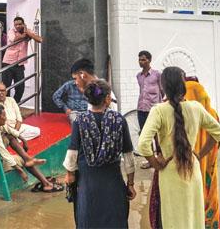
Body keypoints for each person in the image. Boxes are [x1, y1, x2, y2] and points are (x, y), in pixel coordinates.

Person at [139, 67, 220, 229]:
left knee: (173, 220)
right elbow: (217, 132)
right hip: (193, 168)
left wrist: (156, 163)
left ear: (163, 87)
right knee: (193, 218)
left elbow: (143, 144)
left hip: (170, 172)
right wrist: (199, 154)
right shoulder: (196, 107)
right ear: (183, 85)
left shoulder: (159, 111)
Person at [63, 80, 136, 228]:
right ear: (108, 99)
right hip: (113, 183)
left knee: (88, 219)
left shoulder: (79, 121)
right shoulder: (119, 120)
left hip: (88, 184)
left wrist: (70, 175)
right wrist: (130, 184)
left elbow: (72, 154)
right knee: (115, 220)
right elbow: (128, 156)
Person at [0, 104, 61, 193]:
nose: (6, 117)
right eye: (4, 115)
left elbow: (10, 130)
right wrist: (20, 171)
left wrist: (23, 140)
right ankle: (46, 184)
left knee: (10, 136)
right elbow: (4, 154)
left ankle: (28, 159)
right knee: (22, 161)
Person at [184, 75, 220, 229]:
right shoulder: (212, 114)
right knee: (209, 192)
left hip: (188, 165)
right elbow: (218, 138)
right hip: (208, 165)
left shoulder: (183, 114)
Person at [52, 58, 116, 124]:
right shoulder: (95, 88)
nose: (76, 82)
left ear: (82, 74)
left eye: (75, 78)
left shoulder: (99, 90)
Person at [2, 16, 43, 103]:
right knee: (6, 88)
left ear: (23, 24)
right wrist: (25, 35)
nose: (17, 26)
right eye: (16, 24)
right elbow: (14, 39)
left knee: (20, 88)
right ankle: (6, 107)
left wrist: (28, 32)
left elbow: (39, 39)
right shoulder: (11, 31)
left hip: (20, 64)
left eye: (20, 24)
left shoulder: (27, 31)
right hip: (8, 63)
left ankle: (15, 105)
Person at [136, 51, 162, 131]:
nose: (141, 62)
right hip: (141, 109)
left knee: (154, 133)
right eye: (139, 60)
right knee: (143, 132)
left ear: (149, 60)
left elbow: (162, 91)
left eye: (143, 60)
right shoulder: (138, 76)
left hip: (153, 109)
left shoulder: (157, 74)